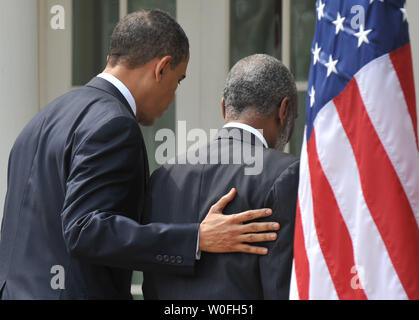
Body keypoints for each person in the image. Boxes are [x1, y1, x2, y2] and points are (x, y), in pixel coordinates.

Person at [0, 11, 280, 300]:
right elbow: (86, 230)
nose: (172, 97)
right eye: (179, 80)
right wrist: (197, 237)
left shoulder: (41, 120)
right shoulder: (114, 124)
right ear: (162, 68)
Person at [142, 54, 300, 300]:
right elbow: (283, 288)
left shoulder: (163, 176)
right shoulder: (286, 173)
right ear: (284, 110)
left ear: (224, 107)